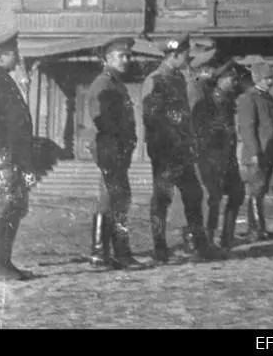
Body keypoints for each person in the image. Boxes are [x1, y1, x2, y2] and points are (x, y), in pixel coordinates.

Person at [142, 34, 211, 263]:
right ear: (175, 55)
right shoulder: (155, 80)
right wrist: (161, 149)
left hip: (182, 150)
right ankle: (160, 248)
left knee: (194, 193)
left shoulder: (178, 78)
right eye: (185, 55)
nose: (188, 59)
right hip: (165, 151)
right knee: (162, 199)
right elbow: (151, 120)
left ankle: (199, 245)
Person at [86, 36, 144, 269]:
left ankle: (115, 253)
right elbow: (102, 121)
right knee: (112, 199)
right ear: (108, 58)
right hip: (110, 149)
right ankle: (102, 254)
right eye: (122, 56)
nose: (127, 60)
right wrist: (114, 148)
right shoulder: (103, 84)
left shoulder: (116, 84)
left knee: (118, 199)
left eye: (129, 56)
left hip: (118, 150)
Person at [0, 30, 35, 281]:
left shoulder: (5, 80)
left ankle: (5, 262)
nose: (18, 55)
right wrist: (0, 160)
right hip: (1, 159)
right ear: (0, 56)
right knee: (0, 207)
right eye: (14, 52)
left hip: (13, 158)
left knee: (14, 207)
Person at [189, 53, 245, 253]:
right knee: (212, 198)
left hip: (227, 156)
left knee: (237, 193)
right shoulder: (208, 99)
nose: (234, 82)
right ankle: (207, 240)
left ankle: (226, 238)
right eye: (231, 78)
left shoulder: (227, 100)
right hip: (211, 156)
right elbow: (200, 128)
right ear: (220, 79)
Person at [236, 60, 273, 242]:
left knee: (261, 192)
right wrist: (254, 153)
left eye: (271, 78)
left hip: (269, 153)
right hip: (257, 154)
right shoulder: (248, 98)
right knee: (256, 193)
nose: (270, 82)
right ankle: (255, 229)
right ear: (256, 78)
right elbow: (247, 129)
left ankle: (260, 227)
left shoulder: (268, 98)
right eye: (266, 78)